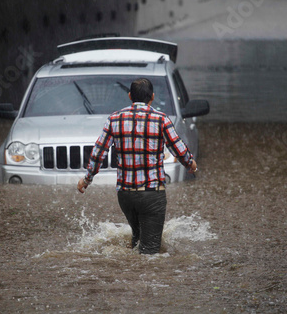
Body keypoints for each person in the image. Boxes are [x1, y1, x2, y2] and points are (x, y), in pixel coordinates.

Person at [77, 78, 197, 254]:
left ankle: (129, 277)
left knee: (137, 240)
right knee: (150, 252)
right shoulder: (161, 120)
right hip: (151, 195)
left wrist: (86, 180)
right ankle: (143, 278)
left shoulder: (114, 119)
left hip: (125, 195)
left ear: (130, 96)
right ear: (153, 97)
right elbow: (178, 149)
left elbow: (98, 153)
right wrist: (190, 164)